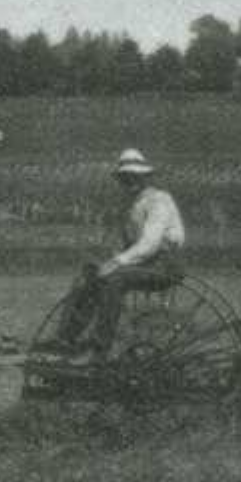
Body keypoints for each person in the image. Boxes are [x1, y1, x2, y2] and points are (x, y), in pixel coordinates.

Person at [56, 148, 186, 356]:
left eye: (135, 177)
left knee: (114, 280)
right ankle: (66, 338)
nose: (130, 182)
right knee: (89, 274)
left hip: (165, 265)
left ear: (145, 177)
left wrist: (116, 262)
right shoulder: (129, 205)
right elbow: (125, 243)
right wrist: (103, 264)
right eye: (125, 178)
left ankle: (100, 347)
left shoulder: (159, 200)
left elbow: (150, 243)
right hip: (142, 264)